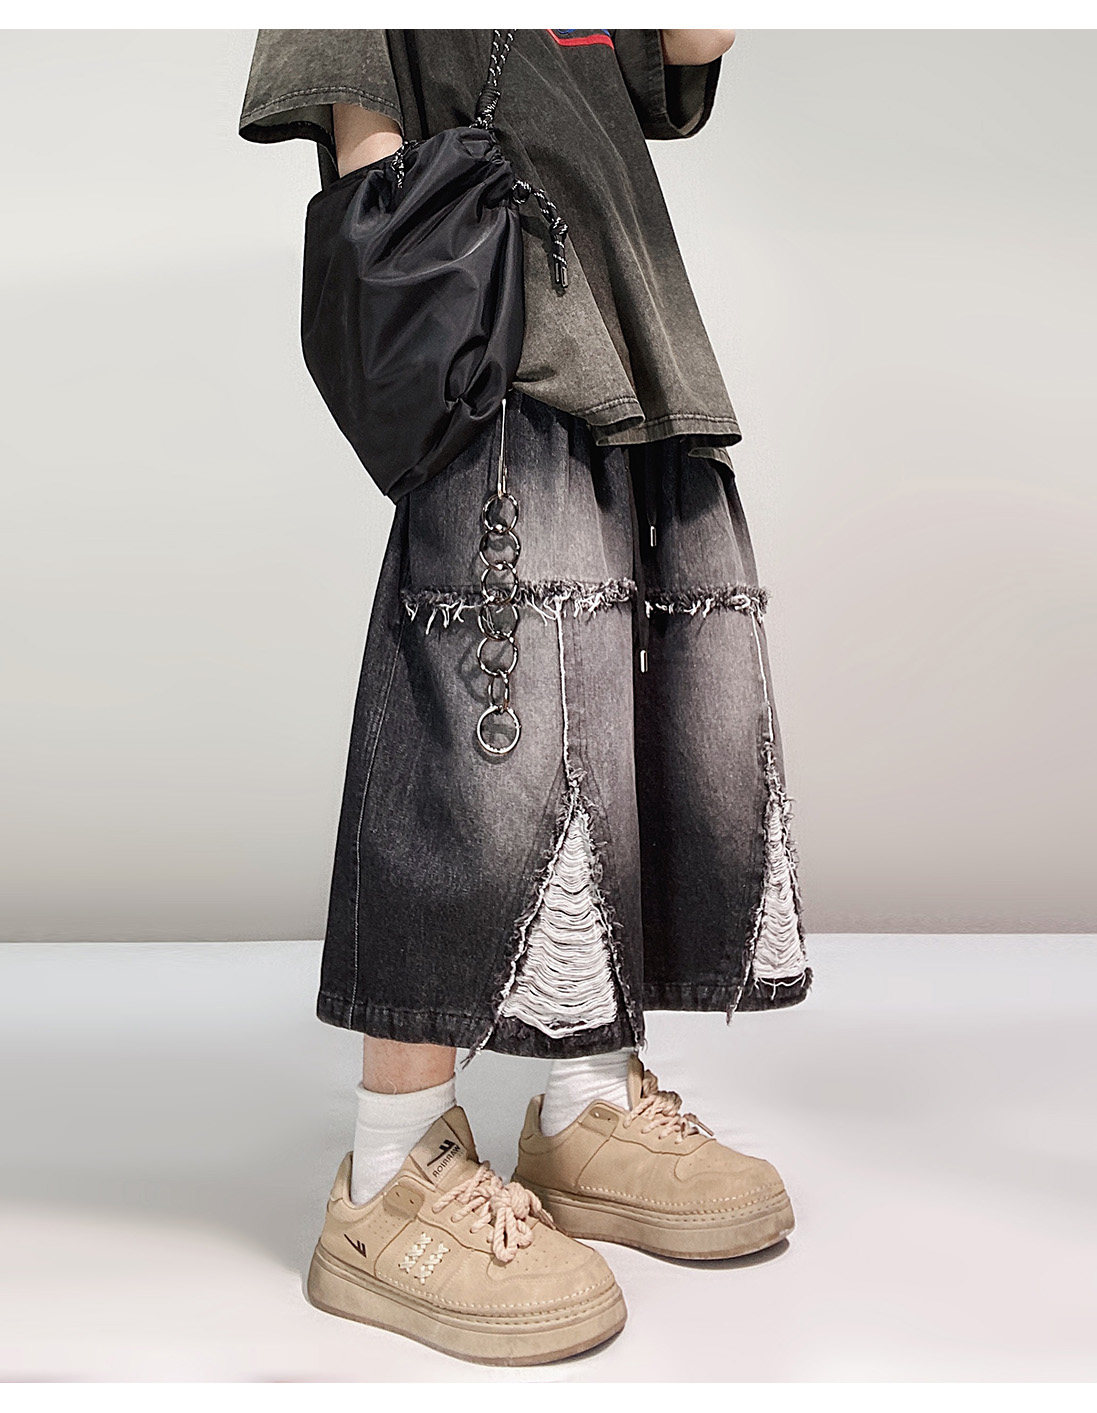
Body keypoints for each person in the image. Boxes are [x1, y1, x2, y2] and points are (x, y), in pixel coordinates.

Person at [240, 28, 811, 1366]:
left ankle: (584, 1100)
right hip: (503, 340)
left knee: (627, 731)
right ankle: (390, 1169)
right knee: (481, 745)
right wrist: (434, 344)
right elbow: (367, 152)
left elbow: (685, 46)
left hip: (633, 326)